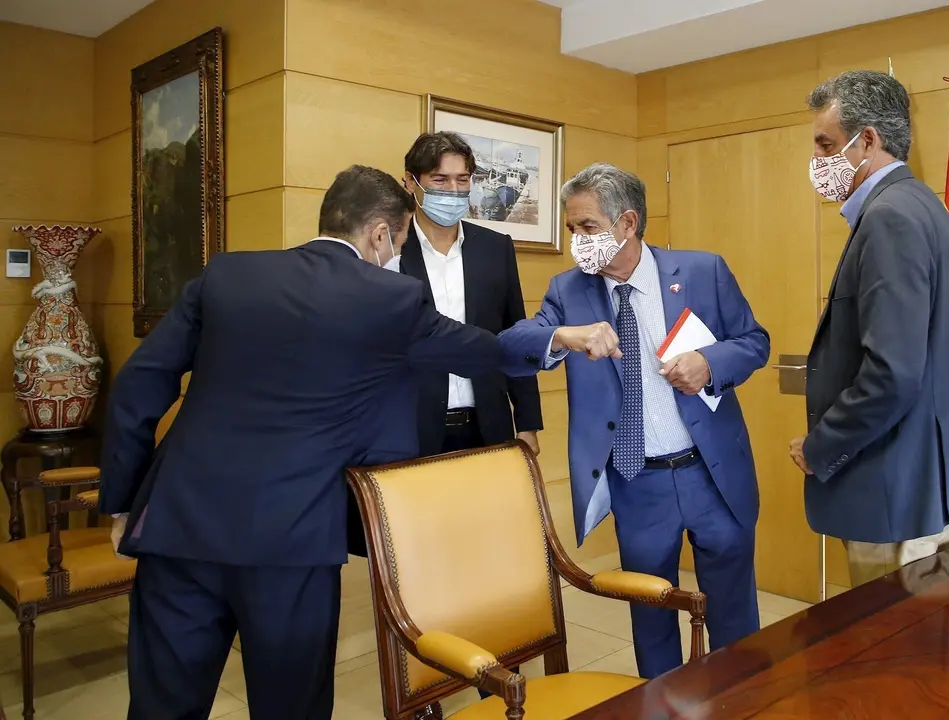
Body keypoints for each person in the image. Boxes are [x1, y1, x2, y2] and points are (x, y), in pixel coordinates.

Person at [99, 165, 506, 720]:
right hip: (292, 544)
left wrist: (124, 500)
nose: (396, 255)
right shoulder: (390, 297)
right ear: (380, 234)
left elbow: (138, 386)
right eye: (400, 242)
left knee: (161, 707)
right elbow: (482, 351)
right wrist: (558, 337)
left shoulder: (227, 276)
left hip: (178, 527)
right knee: (290, 707)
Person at [498, 163, 770, 679]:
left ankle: (747, 703)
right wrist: (563, 338)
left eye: (587, 227)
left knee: (735, 618)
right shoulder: (567, 291)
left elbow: (755, 342)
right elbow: (510, 349)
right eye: (570, 228)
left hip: (711, 474)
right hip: (637, 481)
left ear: (627, 223)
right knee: (652, 620)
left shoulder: (701, 272)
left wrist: (711, 363)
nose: (576, 241)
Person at [790, 70, 949, 587]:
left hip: (896, 493)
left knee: (894, 658)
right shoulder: (921, 204)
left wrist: (820, 447)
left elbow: (892, 374)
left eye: (826, 144)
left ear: (868, 141)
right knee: (927, 653)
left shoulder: (890, 217)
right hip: (918, 484)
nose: (816, 161)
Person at [400, 132, 543, 461]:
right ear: (410, 182)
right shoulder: (390, 248)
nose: (452, 191)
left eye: (462, 179)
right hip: (410, 429)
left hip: (487, 425)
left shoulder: (495, 248)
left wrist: (527, 423)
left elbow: (516, 334)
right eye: (440, 180)